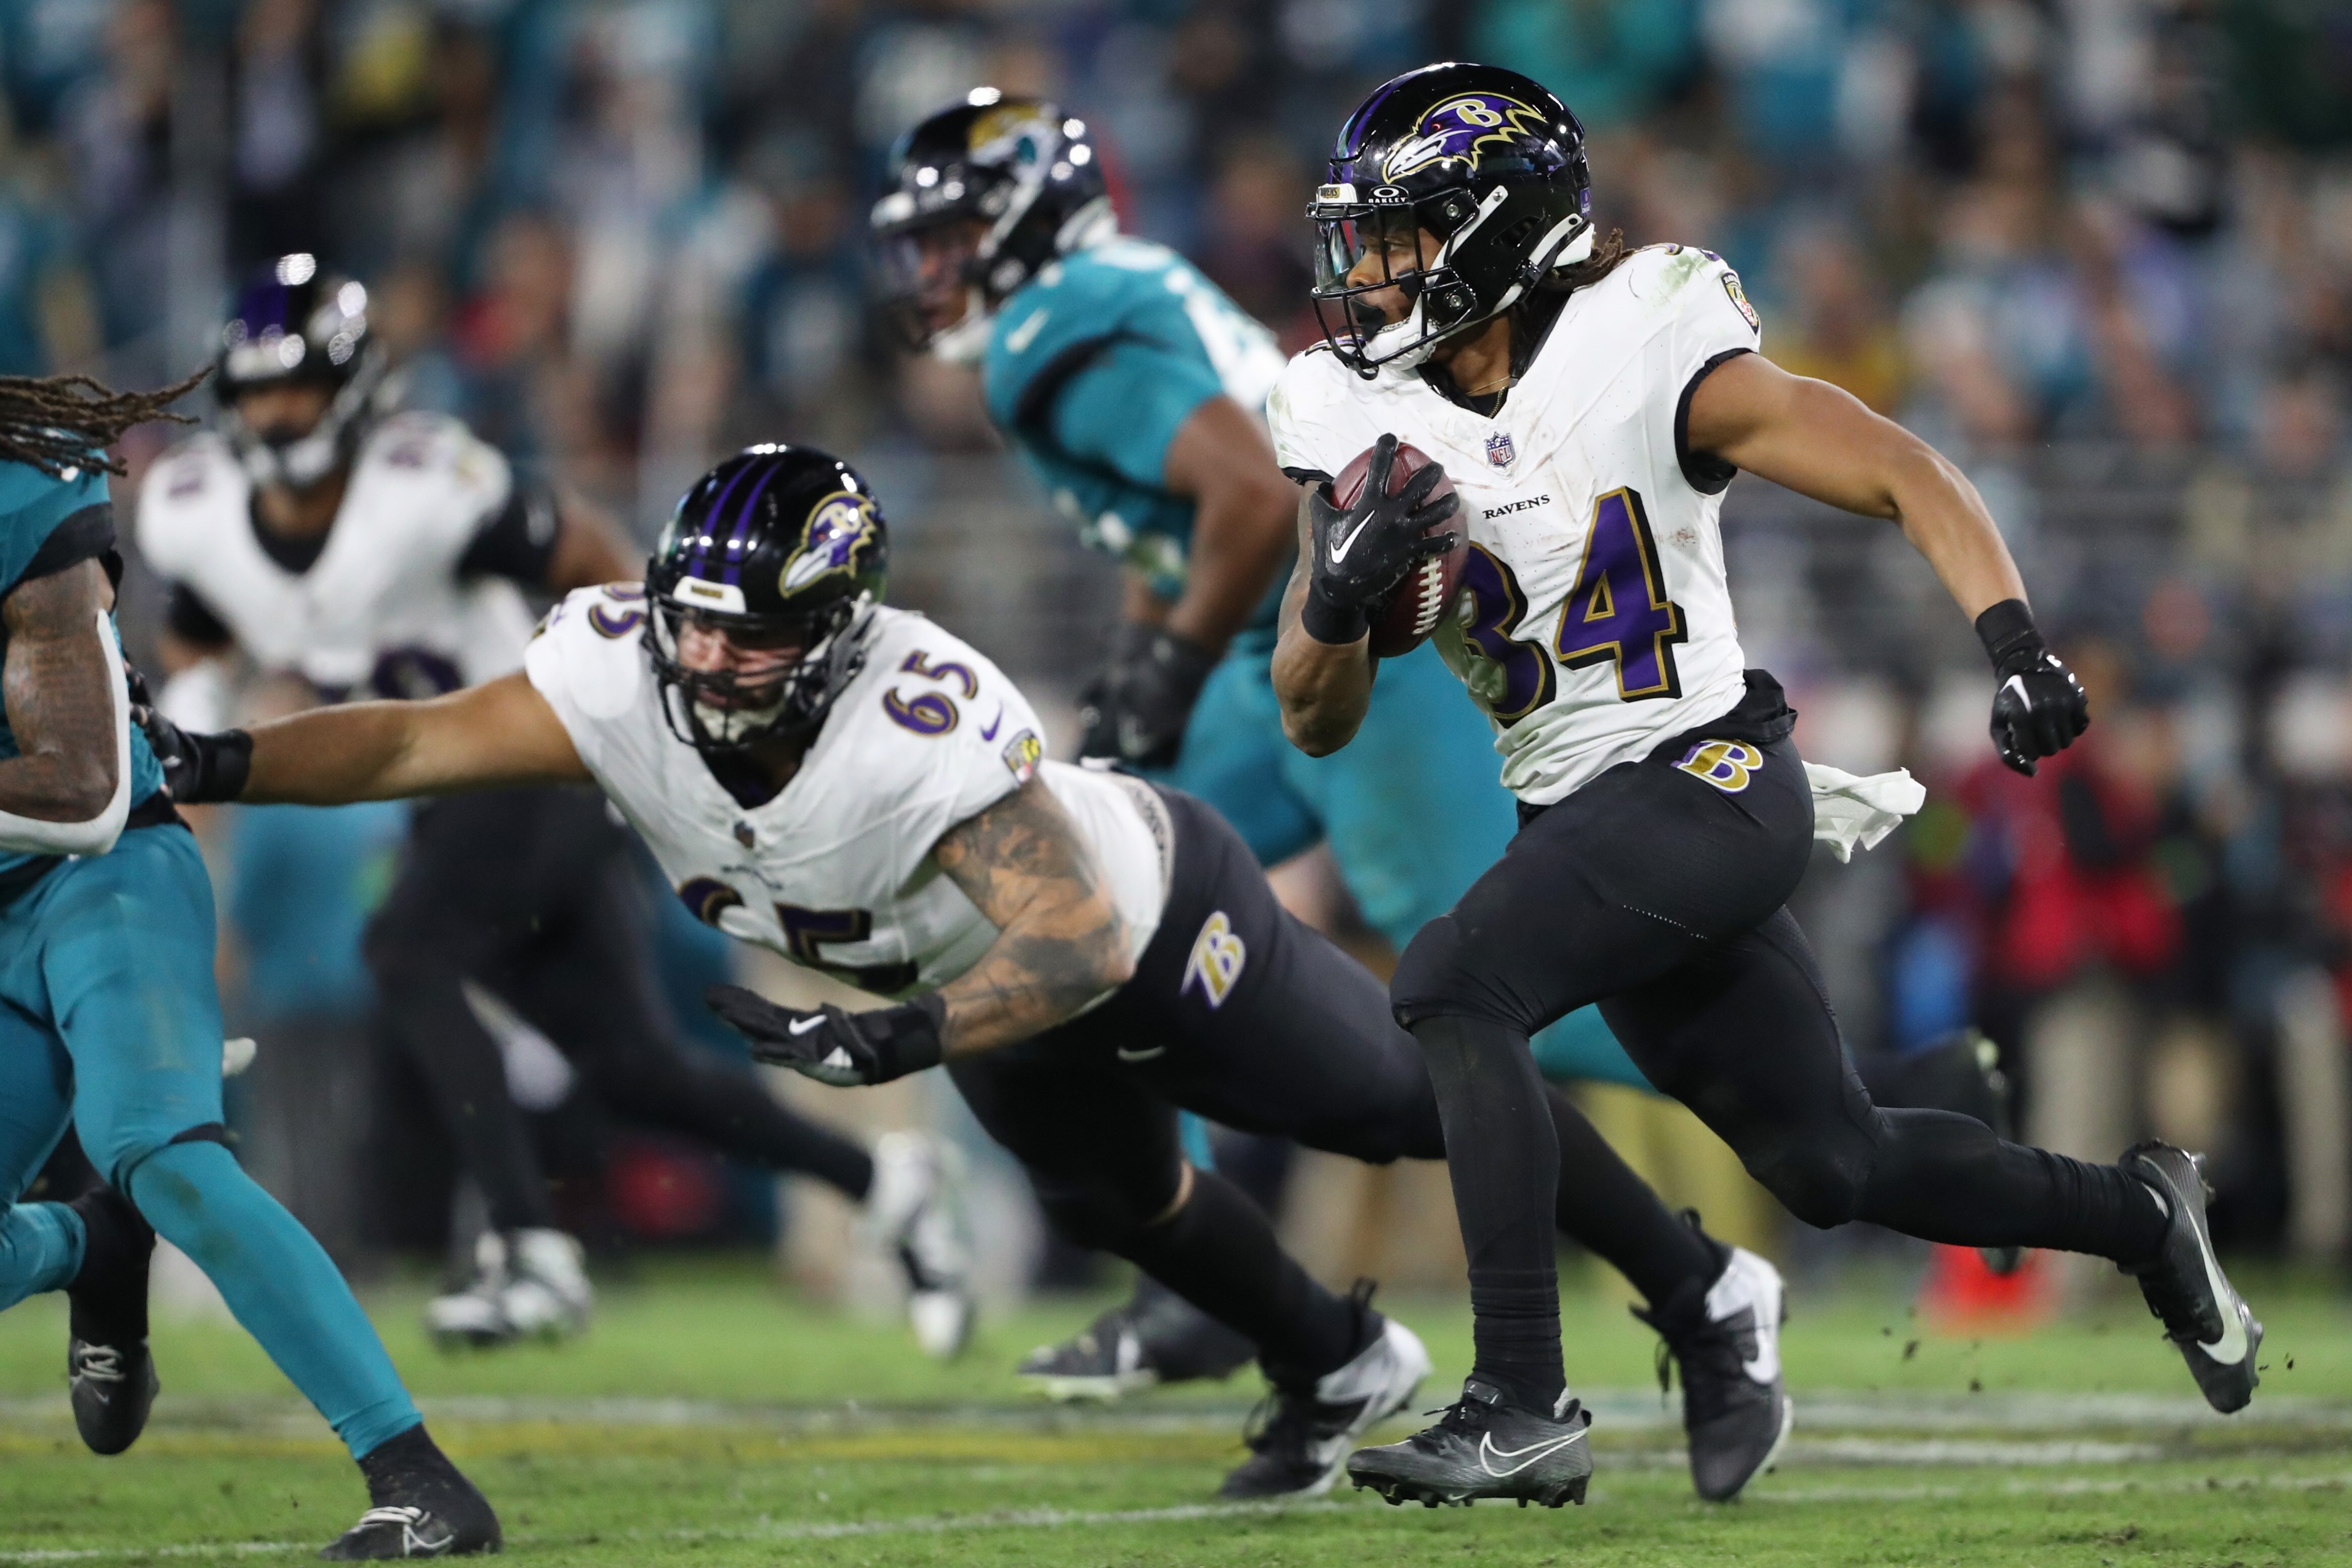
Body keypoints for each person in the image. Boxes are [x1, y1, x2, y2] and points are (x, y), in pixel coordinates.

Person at [141, 443, 1796, 1502]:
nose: (709, 660)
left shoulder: (911, 718)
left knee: (1398, 1100)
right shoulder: (616, 673)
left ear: (840, 627)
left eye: (751, 632)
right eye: (692, 622)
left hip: (1146, 921)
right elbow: (411, 740)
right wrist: (215, 762)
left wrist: (906, 1036)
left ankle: (1705, 1291)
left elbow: (1073, 938)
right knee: (1119, 1204)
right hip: (970, 977)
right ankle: (1335, 1360)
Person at [871, 87, 2017, 1421]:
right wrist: (1151, 649)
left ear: (1018, 220)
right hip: (1272, 659)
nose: (929, 265)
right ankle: (1195, 1264)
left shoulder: (1047, 333)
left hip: (1365, 638)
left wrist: (1168, 665)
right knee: (1106, 904)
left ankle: (1828, 1146)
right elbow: (1174, 516)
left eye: (948, 234)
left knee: (1482, 990)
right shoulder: (1118, 295)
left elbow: (1238, 495)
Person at [1263, 63, 2262, 1509]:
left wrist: (2015, 646)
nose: (1364, 275)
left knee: (1448, 984)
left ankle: (1521, 1398)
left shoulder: (1644, 339)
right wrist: (1339, 596)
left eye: (1398, 239)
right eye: (1359, 242)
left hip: (1709, 774)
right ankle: (2144, 1215)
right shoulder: (1351, 415)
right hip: (1582, 815)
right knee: (1832, 1160)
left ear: (1495, 233)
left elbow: (1903, 468)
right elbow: (1311, 713)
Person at [137, 256, 971, 1356]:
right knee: (633, 1068)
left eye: (298, 388)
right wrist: (196, 728)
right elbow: (200, 636)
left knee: (405, 951)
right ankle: (884, 1179)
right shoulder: (197, 511)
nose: (278, 415)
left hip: (538, 757)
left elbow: (589, 555)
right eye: (259, 393)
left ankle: (531, 1247)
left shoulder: (427, 485)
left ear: (353, 389)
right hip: (446, 797)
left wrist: (648, 704)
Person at [0, 368, 499, 1557]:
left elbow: (82, 790)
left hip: (99, 877)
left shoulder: (19, 504)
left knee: (159, 1150)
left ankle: (418, 1478)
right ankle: (90, 1246)